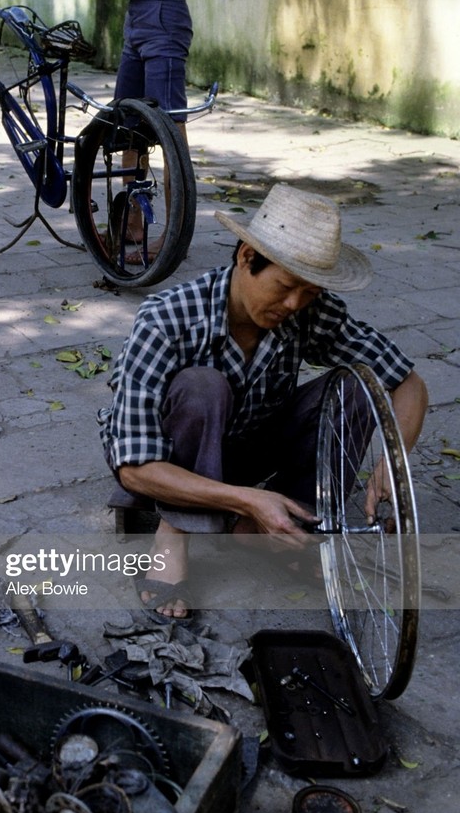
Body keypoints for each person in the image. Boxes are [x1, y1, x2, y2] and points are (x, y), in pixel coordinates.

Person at [98, 184, 429, 618]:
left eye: (308, 292)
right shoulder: (166, 318)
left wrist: (393, 460)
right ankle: (176, 534)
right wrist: (247, 499)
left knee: (355, 388)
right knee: (202, 387)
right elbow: (134, 468)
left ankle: (290, 527)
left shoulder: (309, 308)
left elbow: (408, 383)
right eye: (286, 286)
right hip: (174, 456)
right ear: (246, 258)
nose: (293, 304)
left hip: (254, 439)